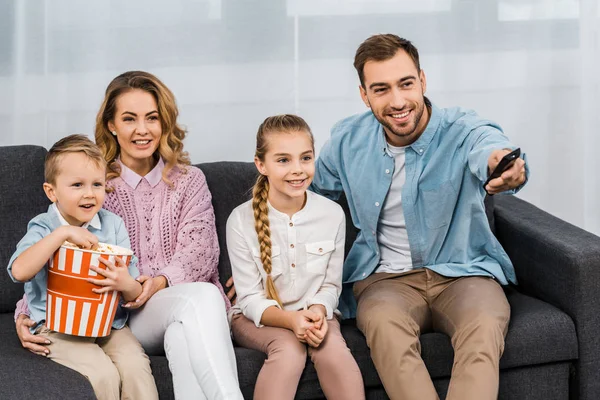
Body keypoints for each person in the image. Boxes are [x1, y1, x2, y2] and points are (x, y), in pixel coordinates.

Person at [310, 34, 528, 400]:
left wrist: (504, 166)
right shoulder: (347, 142)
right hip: (384, 282)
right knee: (383, 326)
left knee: (484, 325)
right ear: (364, 95)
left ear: (422, 81)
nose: (397, 101)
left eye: (406, 84)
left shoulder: (461, 129)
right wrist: (265, 260)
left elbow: (489, 148)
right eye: (381, 89)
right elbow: (305, 198)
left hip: (463, 272)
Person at [15, 71, 243, 400]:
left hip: (176, 301)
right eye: (129, 118)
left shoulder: (189, 180)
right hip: (125, 314)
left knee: (182, 336)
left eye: (152, 118)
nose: (142, 129)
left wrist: (159, 281)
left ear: (164, 122)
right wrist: (26, 313)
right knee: (204, 297)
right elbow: (62, 252)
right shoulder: (94, 183)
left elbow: (201, 253)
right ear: (111, 124)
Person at [7, 134, 159, 400]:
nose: (89, 194)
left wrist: (125, 283)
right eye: (77, 185)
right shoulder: (44, 227)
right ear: (51, 191)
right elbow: (19, 271)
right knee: (103, 374)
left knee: (136, 368)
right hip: (56, 329)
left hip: (108, 326)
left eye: (97, 184)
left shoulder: (112, 225)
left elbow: (134, 292)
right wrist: (62, 234)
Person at [227, 115, 365, 400]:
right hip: (257, 320)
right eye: (283, 160)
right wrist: (291, 321)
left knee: (334, 353)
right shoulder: (240, 220)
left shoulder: (332, 214)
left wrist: (316, 311)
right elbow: (250, 298)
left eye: (305, 158)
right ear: (261, 165)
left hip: (315, 315)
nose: (298, 170)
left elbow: (330, 286)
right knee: (289, 350)